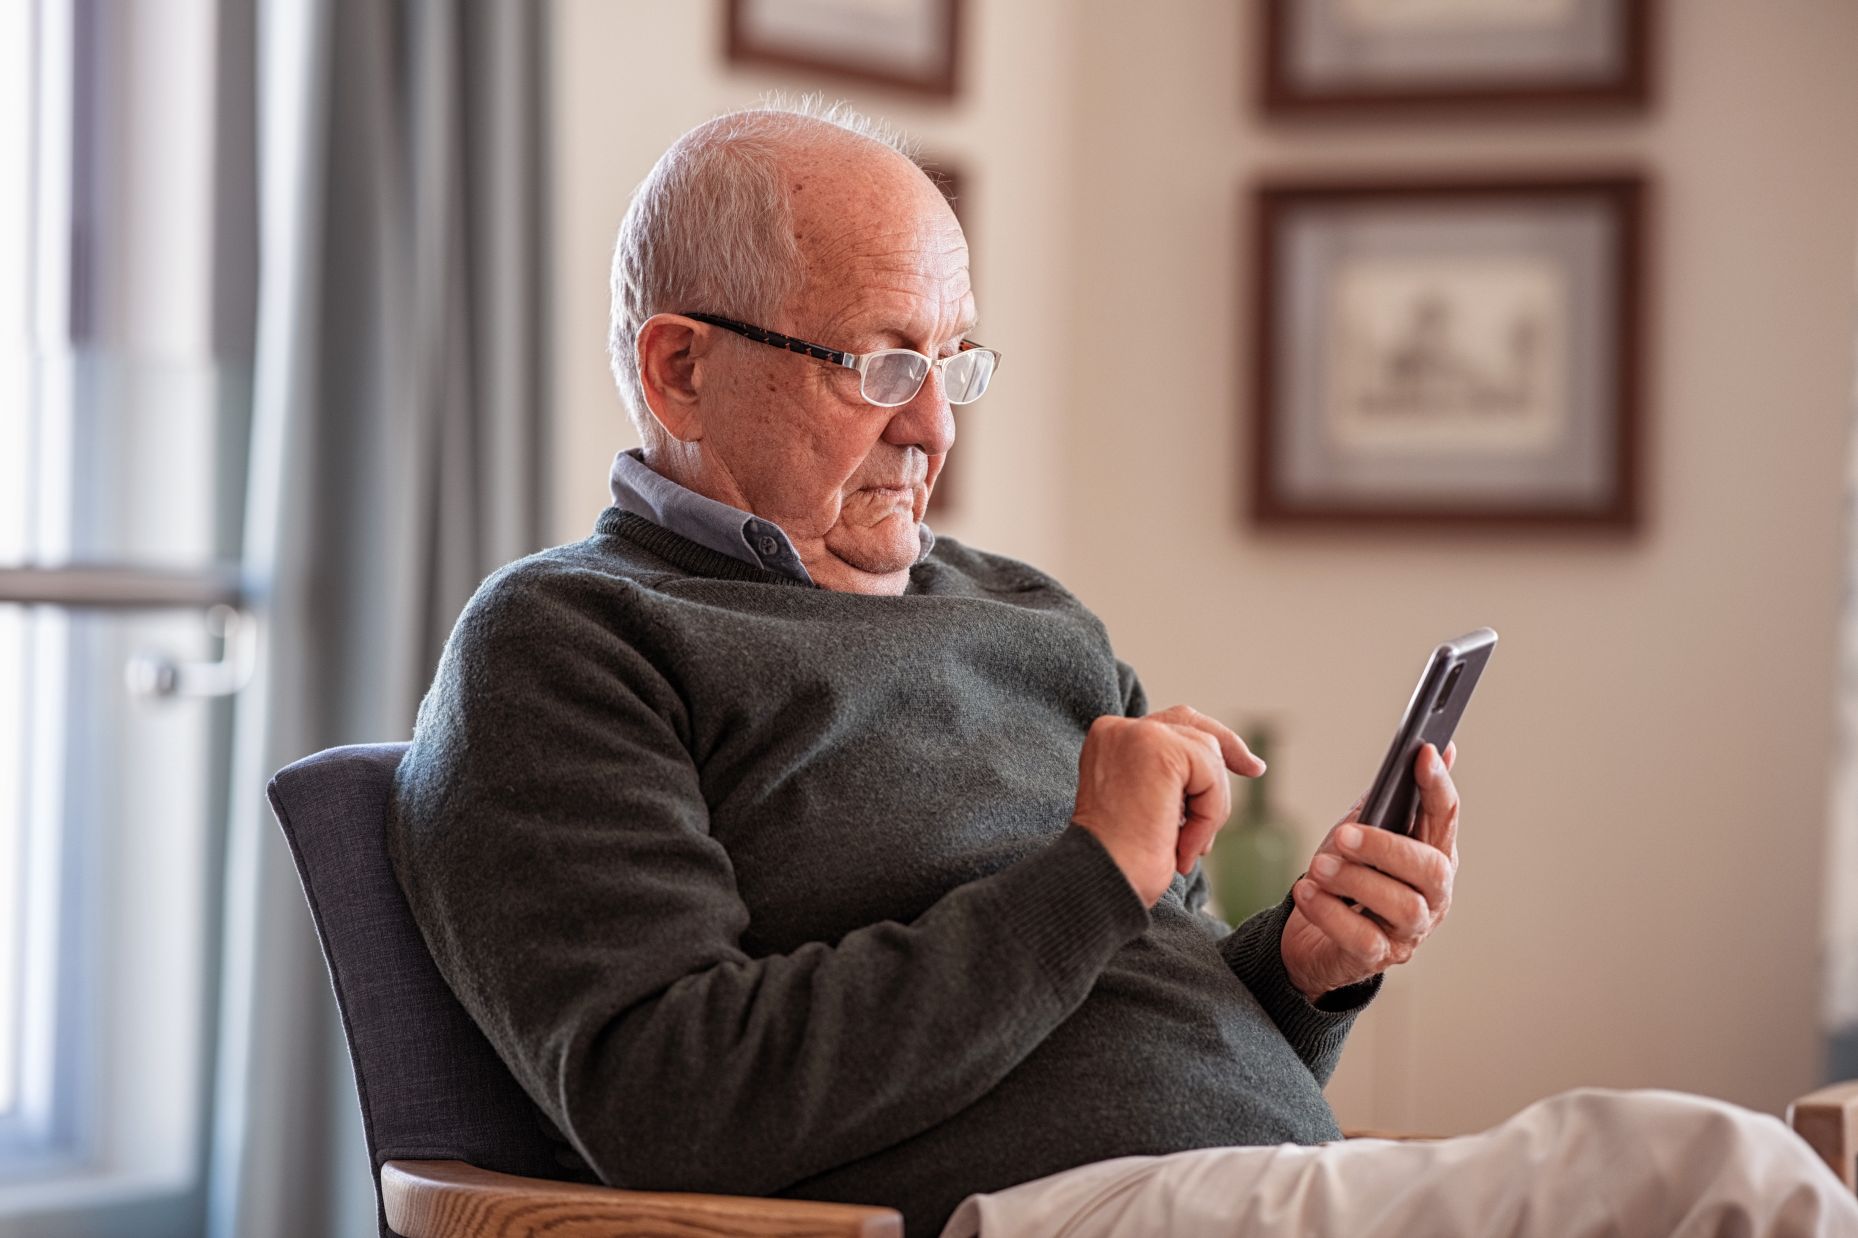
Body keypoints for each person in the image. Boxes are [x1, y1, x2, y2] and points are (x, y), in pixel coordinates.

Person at [388, 100, 1858, 1238]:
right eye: (881, 366)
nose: (933, 434)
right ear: (678, 370)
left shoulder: (1031, 615)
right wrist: (1089, 869)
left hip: (1226, 1182)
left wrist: (1295, 968)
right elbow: (671, 1099)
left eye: (953, 364)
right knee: (1716, 1175)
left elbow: (1126, 1009)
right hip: (1012, 1211)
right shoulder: (568, 643)